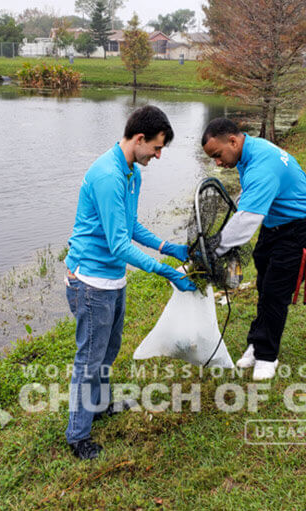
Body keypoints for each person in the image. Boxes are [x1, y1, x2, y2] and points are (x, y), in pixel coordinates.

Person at [64, 105, 197, 460]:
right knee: (89, 360)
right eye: (156, 148)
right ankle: (78, 437)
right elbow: (118, 244)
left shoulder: (130, 173)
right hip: (90, 282)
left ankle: (101, 405)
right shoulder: (107, 175)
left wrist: (168, 248)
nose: (157, 155)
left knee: (109, 351)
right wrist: (166, 271)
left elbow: (130, 227)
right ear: (139, 139)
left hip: (112, 279)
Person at [201, 118, 306, 381]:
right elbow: (250, 199)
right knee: (265, 285)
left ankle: (267, 356)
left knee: (276, 292)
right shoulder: (249, 151)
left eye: (218, 155)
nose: (218, 163)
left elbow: (246, 222)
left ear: (233, 141)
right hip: (275, 226)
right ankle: (257, 343)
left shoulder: (262, 165)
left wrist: (212, 250)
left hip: (301, 229)